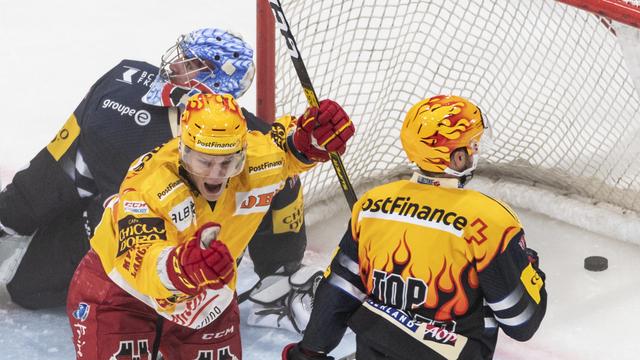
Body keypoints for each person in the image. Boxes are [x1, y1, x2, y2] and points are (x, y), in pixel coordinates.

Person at [0, 28, 312, 317]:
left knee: (33, 287)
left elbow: (284, 185)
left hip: (168, 258)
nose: (175, 65)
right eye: (182, 56)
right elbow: (57, 165)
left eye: (189, 63)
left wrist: (280, 271)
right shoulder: (120, 94)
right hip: (117, 228)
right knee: (27, 287)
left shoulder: (255, 144)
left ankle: (279, 286)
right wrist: (12, 213)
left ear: (214, 82)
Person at [66, 92, 354, 359]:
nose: (216, 176)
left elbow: (288, 149)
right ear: (183, 150)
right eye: (204, 162)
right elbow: (140, 257)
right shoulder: (150, 183)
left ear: (243, 152)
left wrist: (311, 140)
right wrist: (182, 267)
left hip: (206, 299)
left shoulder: (259, 161)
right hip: (123, 297)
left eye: (228, 162)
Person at [282, 95, 547, 360]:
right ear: (456, 158)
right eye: (472, 145)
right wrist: (526, 265)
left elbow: (340, 289)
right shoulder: (490, 221)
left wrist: (310, 351)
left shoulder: (372, 205)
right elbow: (521, 322)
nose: (476, 151)